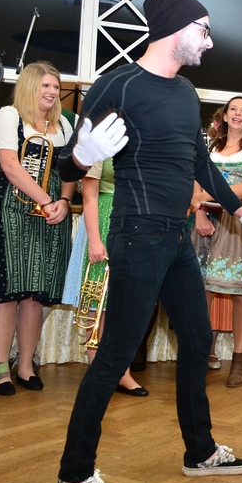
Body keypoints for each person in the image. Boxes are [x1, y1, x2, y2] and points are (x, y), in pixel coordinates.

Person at [54, 0, 242, 483]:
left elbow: (201, 165)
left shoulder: (186, 93)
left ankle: (200, 451)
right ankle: (74, 476)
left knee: (197, 341)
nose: (209, 42)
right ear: (176, 28)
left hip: (176, 236)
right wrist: (83, 154)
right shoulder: (118, 85)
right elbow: (66, 163)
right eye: (204, 30)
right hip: (136, 234)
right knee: (114, 355)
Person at [0, 61, 75, 395]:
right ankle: (0, 367)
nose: (52, 92)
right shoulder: (9, 116)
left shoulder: (64, 125)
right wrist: (47, 200)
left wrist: (64, 201)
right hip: (10, 207)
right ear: (29, 86)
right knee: (7, 291)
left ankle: (25, 365)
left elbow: (71, 171)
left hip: (51, 209)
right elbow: (10, 166)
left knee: (35, 293)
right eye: (45, 86)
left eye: (55, 86)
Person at [190, 98, 242, 387]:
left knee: (241, 294)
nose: (238, 114)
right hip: (206, 221)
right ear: (224, 116)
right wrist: (200, 211)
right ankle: (197, 356)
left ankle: (238, 360)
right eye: (233, 109)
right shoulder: (208, 147)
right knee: (201, 291)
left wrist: (205, 196)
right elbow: (195, 183)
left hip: (239, 222)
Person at [61, 158, 146, 395]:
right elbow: (89, 197)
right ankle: (96, 368)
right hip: (104, 217)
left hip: (137, 219)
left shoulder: (143, 141)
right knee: (97, 295)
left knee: (126, 300)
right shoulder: (100, 145)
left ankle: (121, 371)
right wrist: (95, 240)